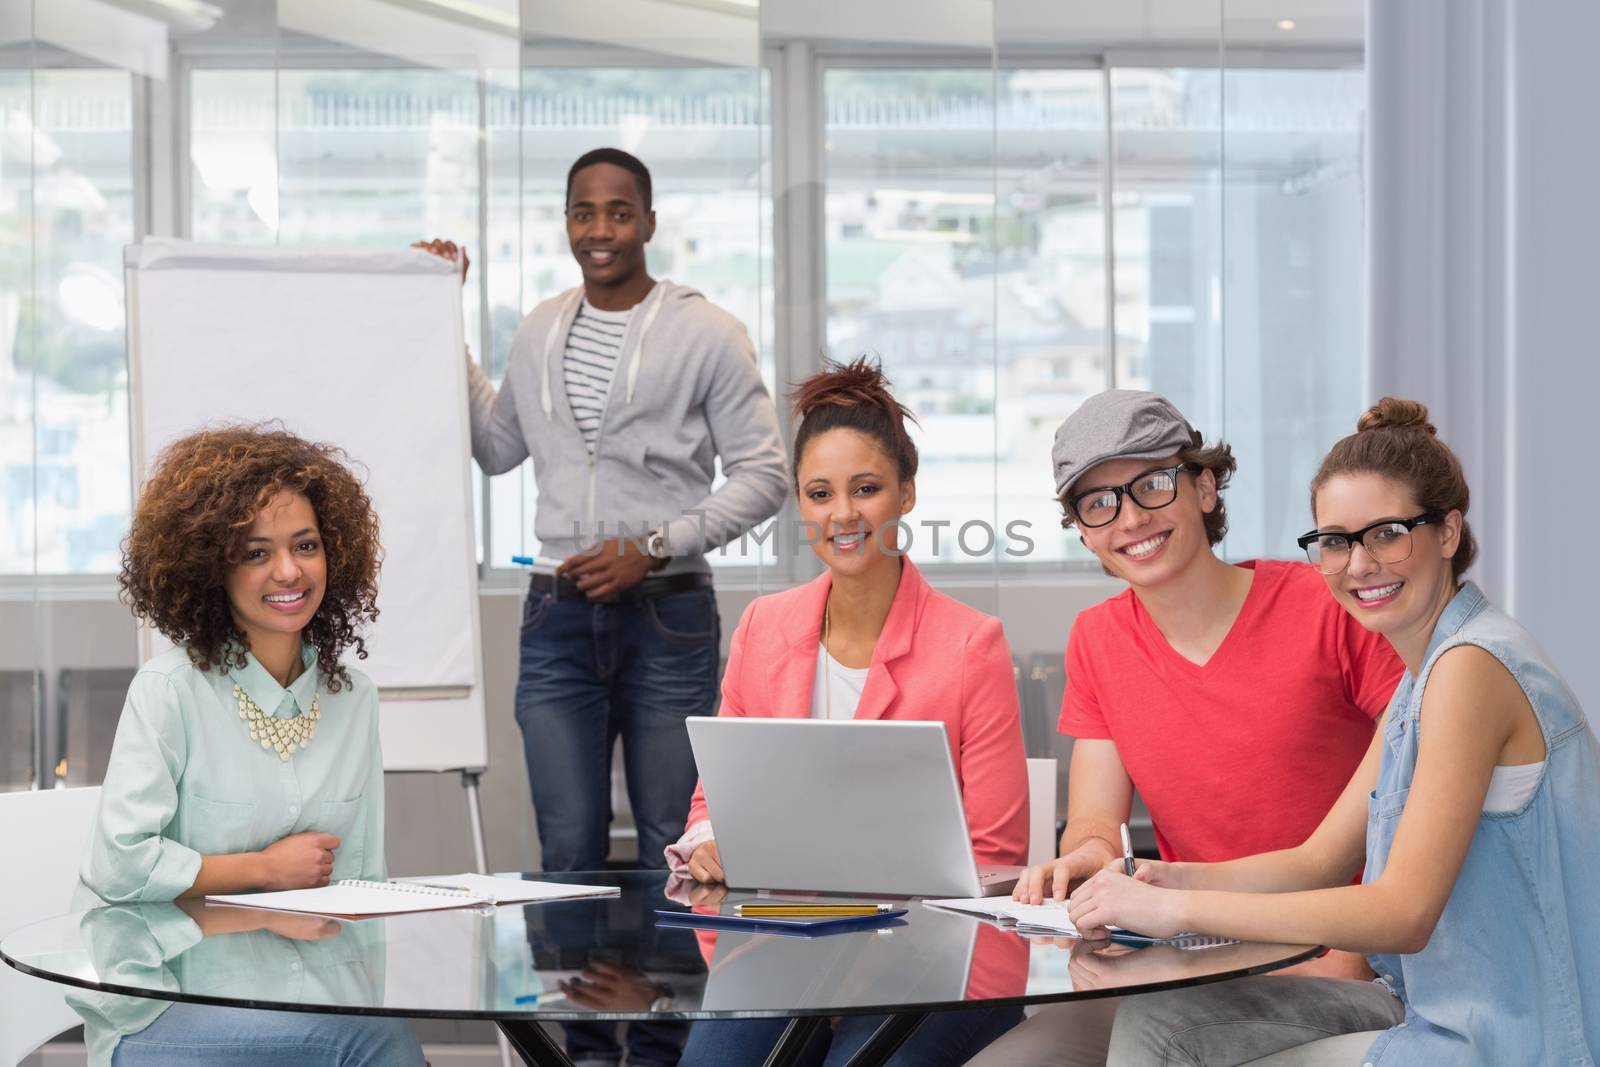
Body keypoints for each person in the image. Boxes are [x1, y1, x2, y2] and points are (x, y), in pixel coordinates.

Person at [1069, 398, 1600, 1065]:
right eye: (1337, 541)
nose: (1358, 564)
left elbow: (1403, 912)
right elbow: (1317, 861)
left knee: (1165, 1034)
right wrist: (1167, 880)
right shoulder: (1421, 679)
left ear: (1448, 532)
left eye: (1388, 533)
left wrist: (1182, 913)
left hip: (1512, 1038)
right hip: (1442, 1015)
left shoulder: (1471, 667)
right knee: (1151, 1027)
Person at [418, 146, 786, 1067]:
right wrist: (442, 315)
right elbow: (497, 445)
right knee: (567, 847)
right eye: (584, 213)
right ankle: (582, 1049)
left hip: (667, 613)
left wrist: (653, 544)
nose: (600, 231)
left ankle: (667, 1044)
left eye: (619, 213)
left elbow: (768, 475)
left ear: (650, 222)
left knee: (674, 840)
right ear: (568, 222)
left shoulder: (707, 331)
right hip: (554, 618)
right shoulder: (540, 328)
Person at [970, 390, 1404, 1067]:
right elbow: (1092, 822)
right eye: (1098, 502)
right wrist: (1084, 859)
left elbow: (1417, 789)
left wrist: (1347, 949)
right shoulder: (1098, 639)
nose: (1130, 517)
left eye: (1152, 484)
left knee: (1155, 1036)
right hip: (1191, 960)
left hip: (1343, 962)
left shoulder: (1326, 606)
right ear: (1082, 529)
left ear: (1204, 485)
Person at [670, 358, 1028, 1066]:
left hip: (935, 965)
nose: (843, 515)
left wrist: (869, 964)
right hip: (786, 950)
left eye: (866, 489)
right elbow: (711, 797)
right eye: (819, 492)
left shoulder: (969, 645)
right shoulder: (763, 628)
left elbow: (997, 862)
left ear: (905, 494)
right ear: (799, 503)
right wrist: (712, 839)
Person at [75, 424, 423, 1066]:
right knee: (379, 1045)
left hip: (315, 1007)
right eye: (255, 552)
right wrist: (265, 870)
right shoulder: (169, 690)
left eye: (306, 545)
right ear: (212, 565)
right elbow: (119, 868)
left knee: (379, 1039)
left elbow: (362, 884)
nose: (288, 571)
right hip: (166, 1006)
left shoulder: (355, 699)